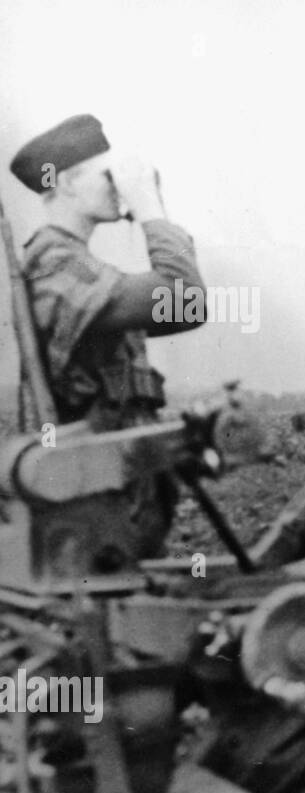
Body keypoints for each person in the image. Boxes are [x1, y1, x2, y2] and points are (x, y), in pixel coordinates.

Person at [8, 113, 207, 556]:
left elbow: (183, 314)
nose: (119, 185)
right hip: (96, 502)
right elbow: (187, 298)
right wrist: (150, 208)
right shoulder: (59, 268)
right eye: (107, 175)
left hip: (118, 494)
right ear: (64, 184)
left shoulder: (80, 268)